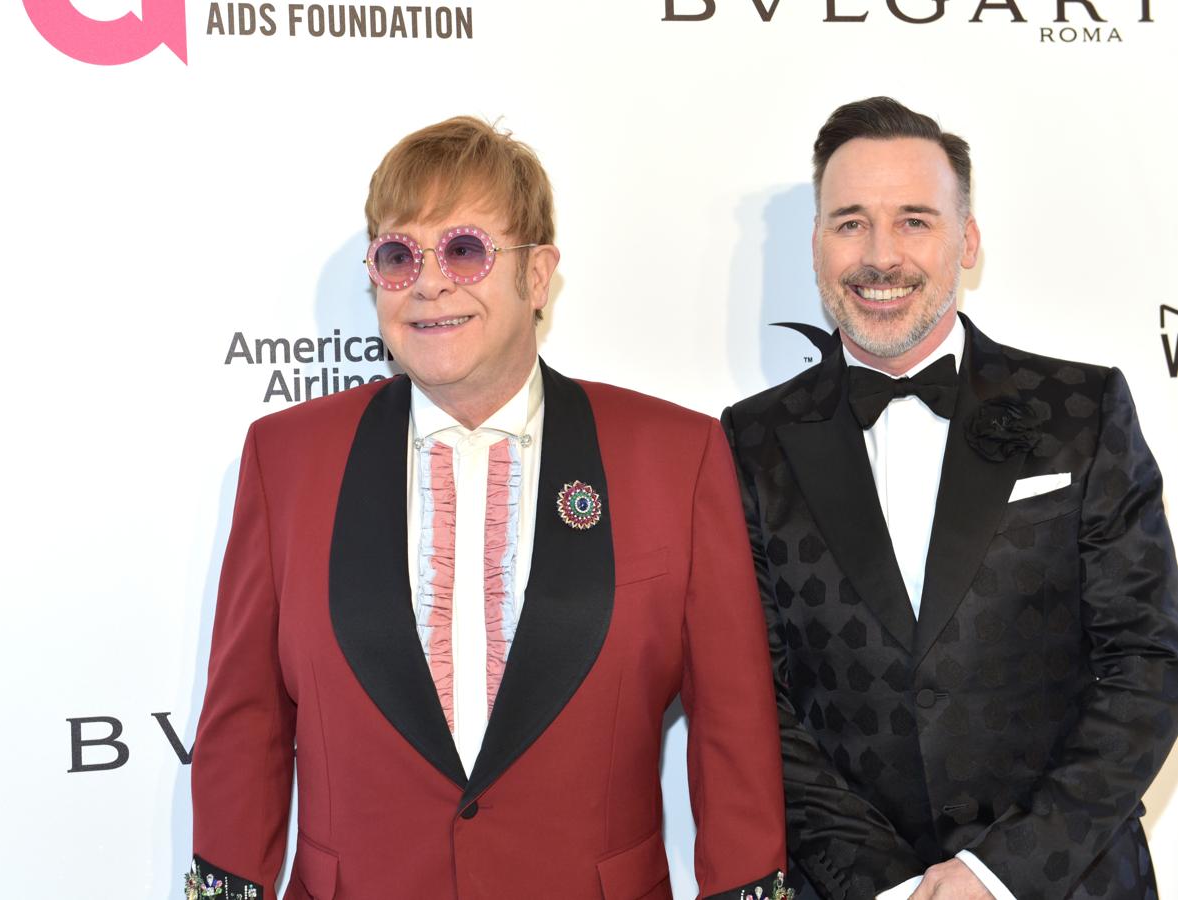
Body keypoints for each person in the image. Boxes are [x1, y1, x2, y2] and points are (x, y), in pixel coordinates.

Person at [190, 116, 789, 899]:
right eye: (398, 256)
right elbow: (245, 729)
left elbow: (733, 738)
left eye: (465, 251)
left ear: (538, 276)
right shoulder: (288, 460)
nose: (429, 283)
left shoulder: (673, 456)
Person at [723, 97, 1178, 900]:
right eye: (850, 222)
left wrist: (997, 873)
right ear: (817, 245)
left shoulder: (1080, 409)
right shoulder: (749, 442)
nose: (879, 255)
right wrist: (889, 886)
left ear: (965, 241)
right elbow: (754, 698)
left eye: (914, 221)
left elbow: (1149, 661)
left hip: (1067, 883)